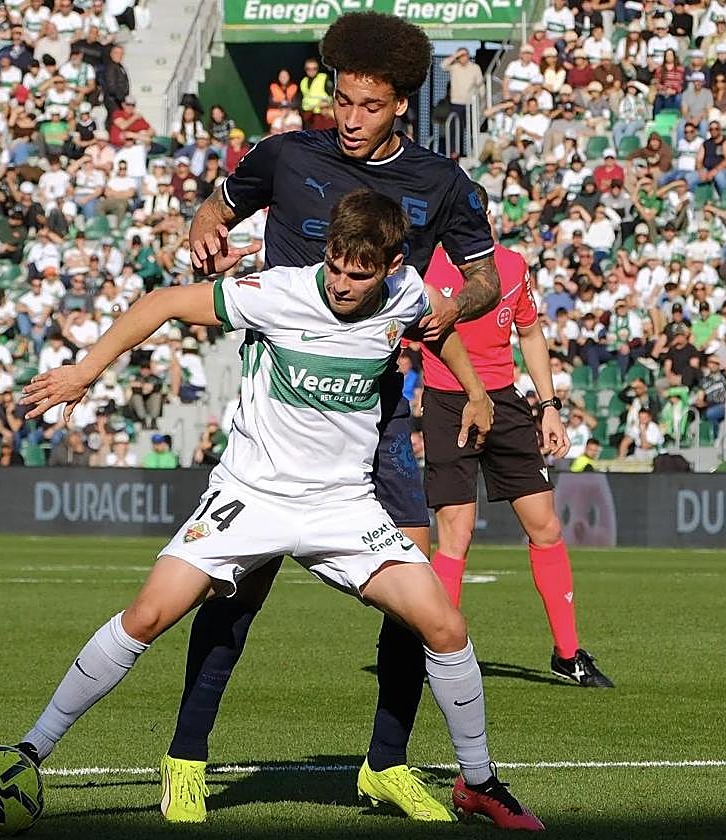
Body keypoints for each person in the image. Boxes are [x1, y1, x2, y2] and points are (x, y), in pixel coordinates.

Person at [16, 189, 536, 828]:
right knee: (148, 615)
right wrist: (85, 371)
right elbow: (160, 304)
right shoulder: (275, 291)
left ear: (393, 265)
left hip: (343, 506)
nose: (343, 284)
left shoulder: (405, 295)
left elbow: (438, 327)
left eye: (360, 273)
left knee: (446, 627)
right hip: (250, 496)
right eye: (337, 266)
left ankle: (479, 782)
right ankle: (28, 751)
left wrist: (478, 392)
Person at [158, 11, 506, 827]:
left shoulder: (441, 182)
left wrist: (450, 306)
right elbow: (211, 214)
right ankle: (185, 759)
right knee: (238, 594)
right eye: (340, 101)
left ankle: (386, 765)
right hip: (283, 408)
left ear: (402, 106)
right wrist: (206, 239)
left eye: (368, 106)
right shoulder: (286, 153)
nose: (348, 120)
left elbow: (486, 278)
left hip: (379, 419)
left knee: (413, 598)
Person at [420, 185, 613, 688]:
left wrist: (549, 407)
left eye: (477, 213)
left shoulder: (510, 265)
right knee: (456, 535)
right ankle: (437, 655)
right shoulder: (427, 269)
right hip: (448, 401)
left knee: (545, 526)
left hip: (505, 401)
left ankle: (568, 653)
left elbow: (529, 333)